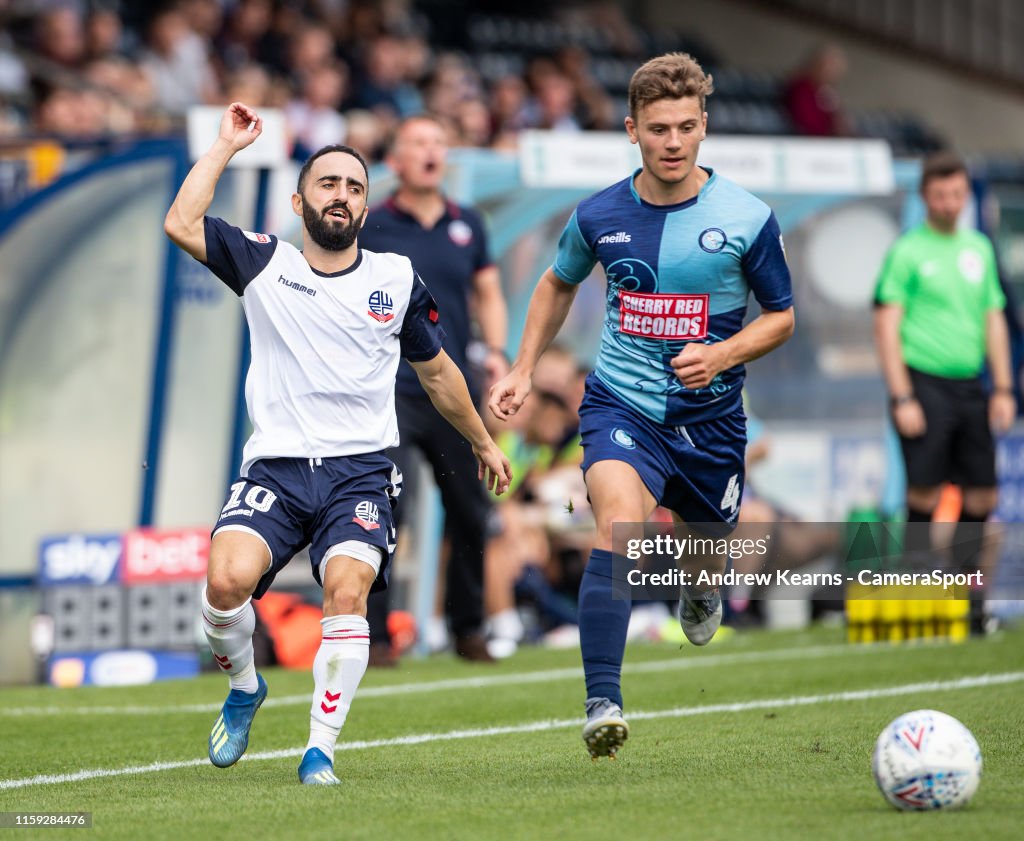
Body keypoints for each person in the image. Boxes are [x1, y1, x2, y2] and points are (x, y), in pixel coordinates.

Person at [163, 102, 511, 785]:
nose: (342, 196)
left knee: (346, 590)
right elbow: (181, 223)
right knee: (225, 582)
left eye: (354, 187)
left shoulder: (394, 279)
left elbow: (438, 372)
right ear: (300, 201)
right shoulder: (265, 263)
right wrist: (226, 145)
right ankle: (243, 689)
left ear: (366, 204)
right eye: (328, 184)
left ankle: (320, 748)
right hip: (278, 468)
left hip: (359, 473)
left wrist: (481, 441)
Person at [488, 53, 794, 760]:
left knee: (705, 553)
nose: (674, 141)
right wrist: (525, 366)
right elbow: (556, 283)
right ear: (632, 129)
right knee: (619, 530)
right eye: (659, 128)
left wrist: (721, 355)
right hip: (621, 405)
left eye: (687, 127)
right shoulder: (599, 214)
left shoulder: (747, 218)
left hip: (712, 422)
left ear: (704, 126)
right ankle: (603, 700)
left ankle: (701, 590)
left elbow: (781, 317)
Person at [359, 114, 509, 663]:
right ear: (395, 161)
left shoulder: (468, 223)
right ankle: (374, 638)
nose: (430, 151)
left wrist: (495, 351)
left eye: (438, 142)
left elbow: (488, 293)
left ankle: (469, 631)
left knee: (470, 509)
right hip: (389, 391)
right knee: (379, 508)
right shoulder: (371, 224)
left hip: (451, 393)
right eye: (418, 142)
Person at [874, 150, 1014, 628]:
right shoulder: (908, 251)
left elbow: (993, 318)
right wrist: (902, 396)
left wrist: (1003, 388)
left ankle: (968, 599)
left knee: (981, 498)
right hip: (923, 382)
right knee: (924, 492)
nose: (949, 203)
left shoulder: (977, 247)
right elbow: (887, 325)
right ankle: (916, 596)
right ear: (925, 196)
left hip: (971, 384)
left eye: (956, 194)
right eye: (940, 195)